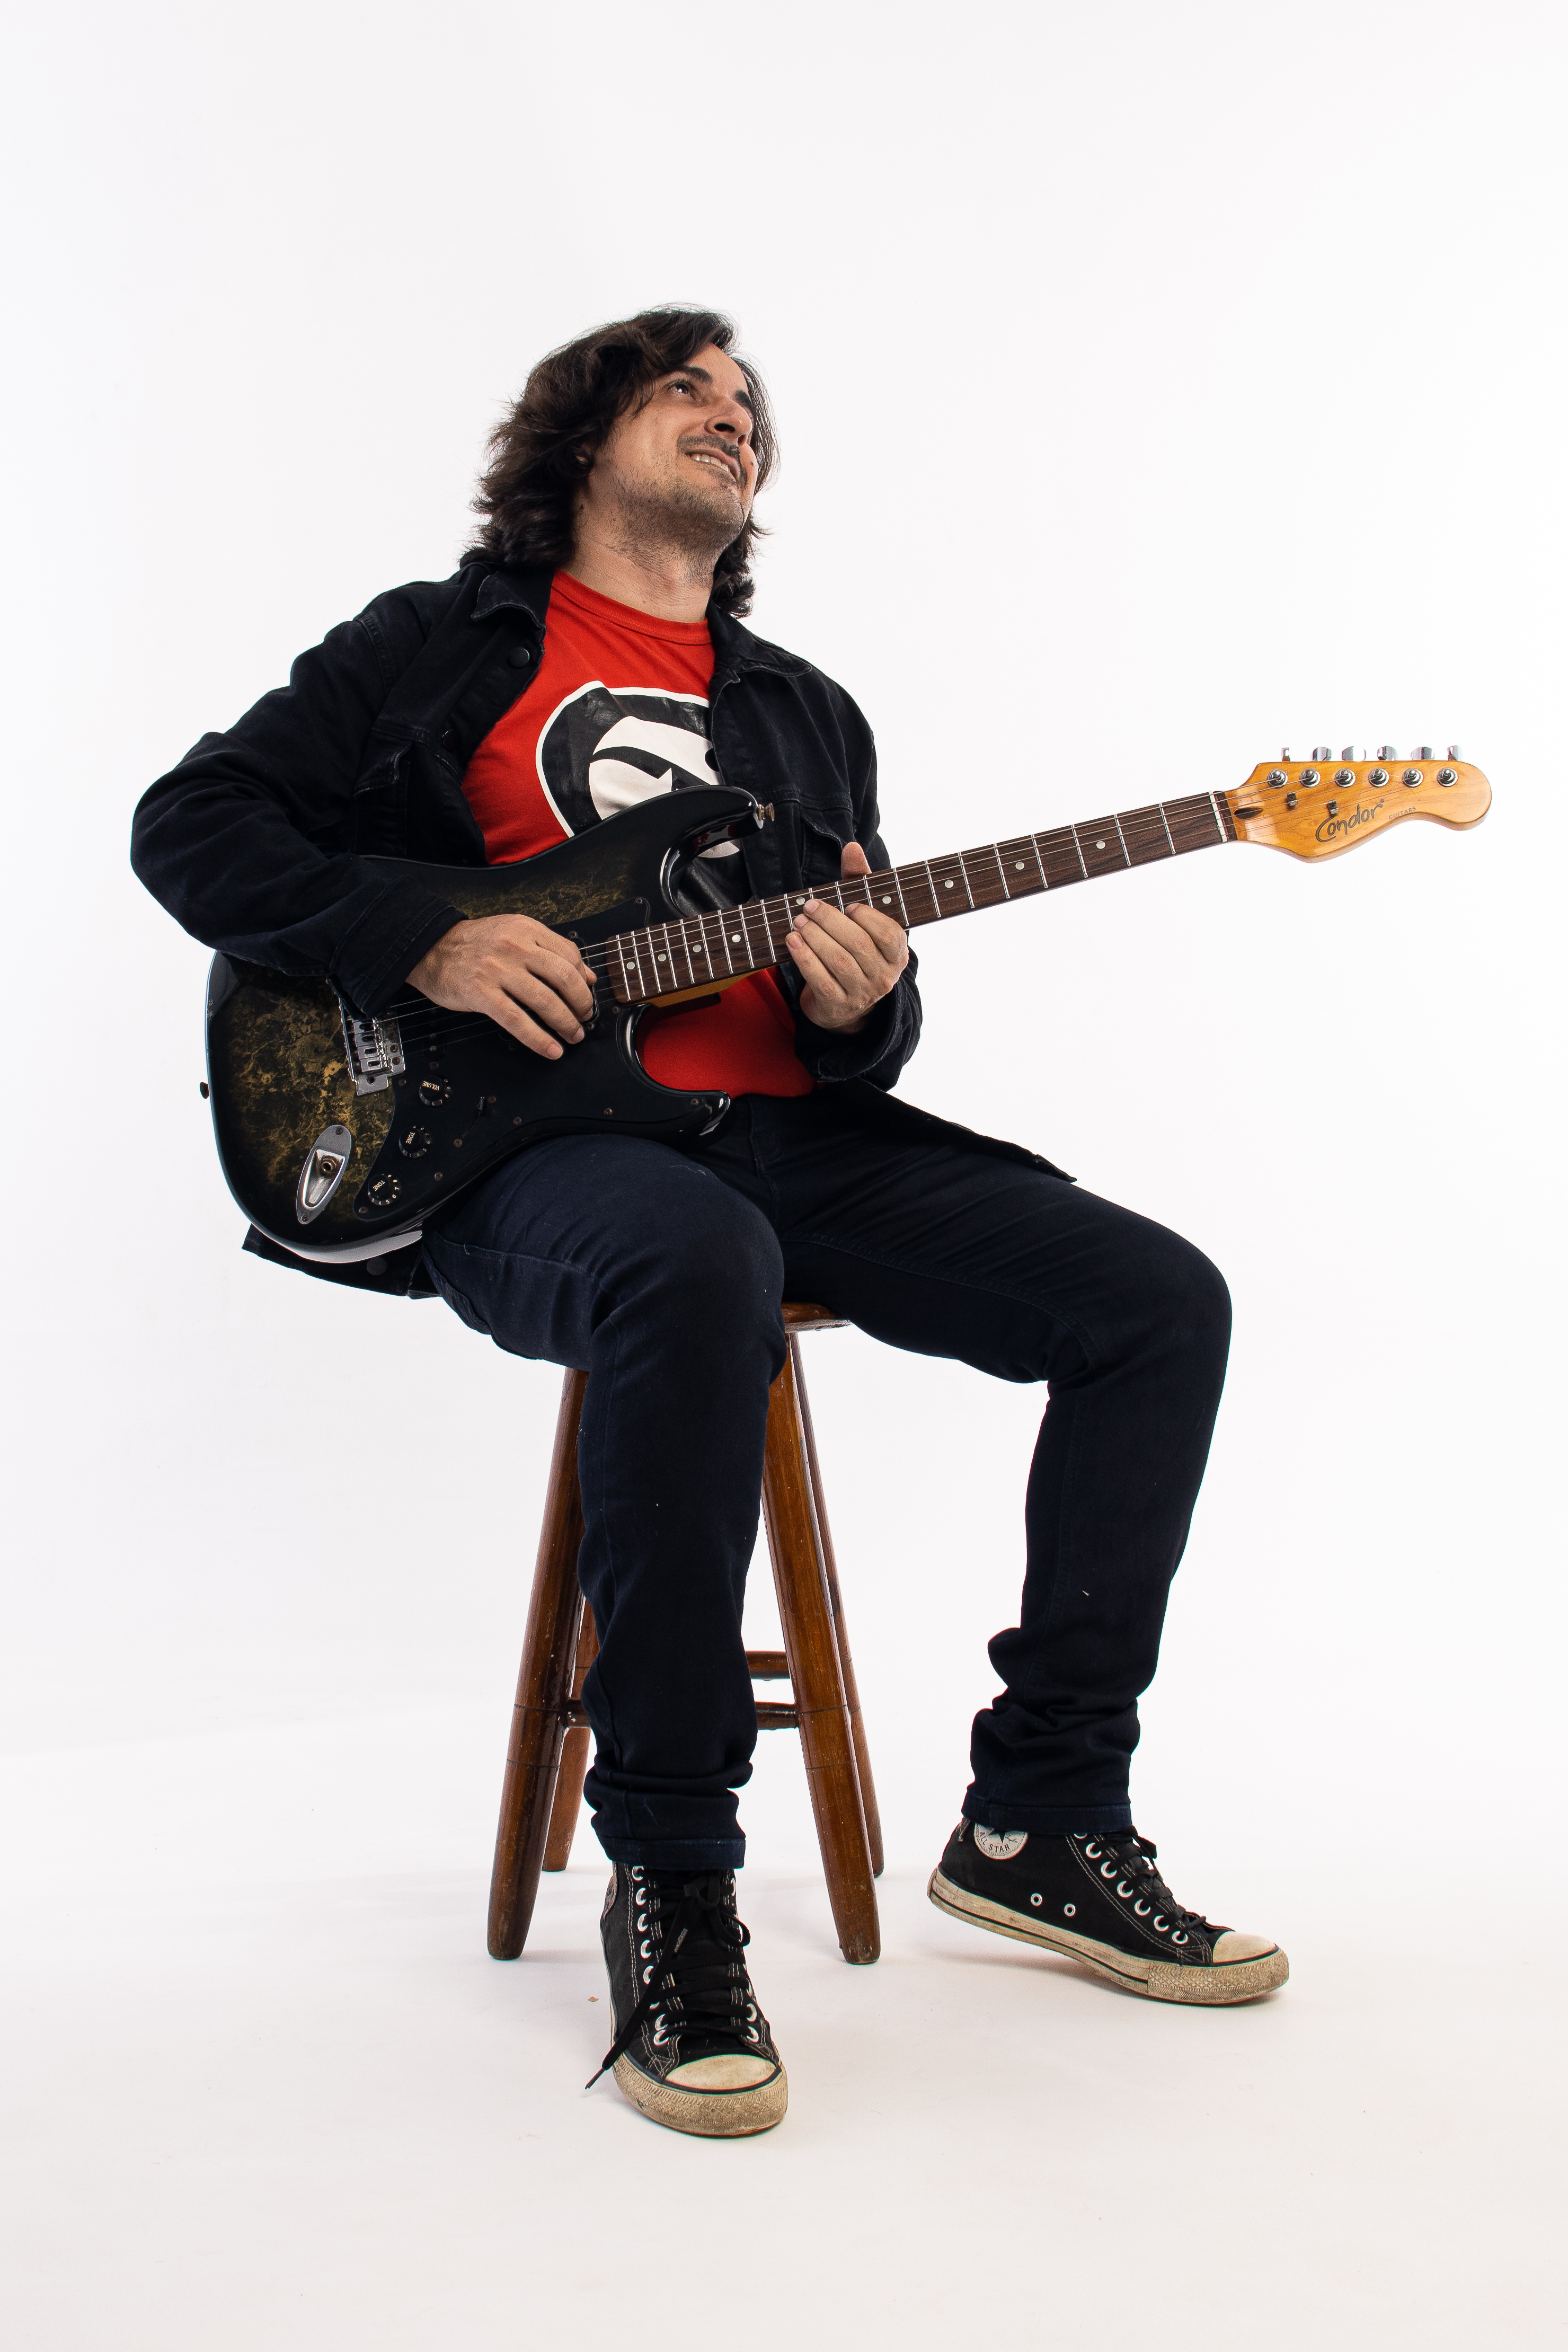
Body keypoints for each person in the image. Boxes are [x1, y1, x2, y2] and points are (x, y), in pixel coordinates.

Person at [131, 305, 1287, 2143]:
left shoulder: (803, 714)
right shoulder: (436, 647)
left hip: (786, 1144)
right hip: (521, 1159)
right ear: (581, 435)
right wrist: (425, 936)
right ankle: (673, 1879)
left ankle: (1042, 1819)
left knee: (1156, 1300)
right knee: (692, 1256)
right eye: (687, 388)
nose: (731, 415)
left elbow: (861, 1015)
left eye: (749, 403)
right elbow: (192, 825)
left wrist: (862, 1004)